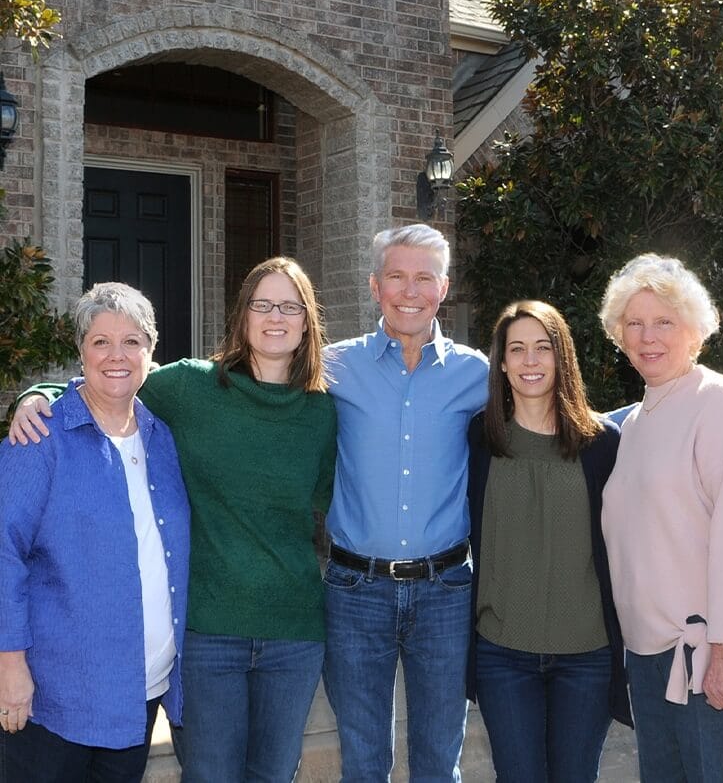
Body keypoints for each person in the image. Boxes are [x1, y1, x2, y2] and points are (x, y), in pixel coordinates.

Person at [7, 257, 337, 782]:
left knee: (275, 775)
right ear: (243, 315)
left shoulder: (322, 414)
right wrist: (36, 396)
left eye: (290, 306)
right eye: (263, 304)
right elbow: (106, 386)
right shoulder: (191, 388)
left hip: (292, 631)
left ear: (307, 320)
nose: (276, 316)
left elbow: (336, 505)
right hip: (209, 633)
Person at [598, 253, 723, 781]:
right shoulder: (635, 421)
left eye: (664, 322)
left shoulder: (719, 402)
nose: (648, 336)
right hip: (652, 657)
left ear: (695, 331)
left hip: (716, 655)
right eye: (634, 323)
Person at [0, 283, 190, 782]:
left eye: (132, 341)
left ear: (151, 352)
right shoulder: (41, 437)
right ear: (81, 350)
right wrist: (8, 665)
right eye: (100, 341)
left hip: (140, 690)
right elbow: (4, 552)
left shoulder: (162, 437)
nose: (116, 355)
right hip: (54, 697)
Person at [323, 223, 488, 781]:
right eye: (397, 277)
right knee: (363, 760)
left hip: (446, 591)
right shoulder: (332, 367)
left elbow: (560, 413)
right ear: (375, 286)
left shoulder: (479, 374)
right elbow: (242, 381)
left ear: (445, 288)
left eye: (424, 278)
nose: (410, 291)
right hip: (354, 590)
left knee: (439, 759)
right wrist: (50, 392)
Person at [465, 300, 632, 782]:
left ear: (563, 358)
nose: (531, 361)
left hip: (587, 655)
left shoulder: (603, 442)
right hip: (502, 652)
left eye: (543, 348)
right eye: (517, 349)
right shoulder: (481, 436)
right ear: (500, 361)